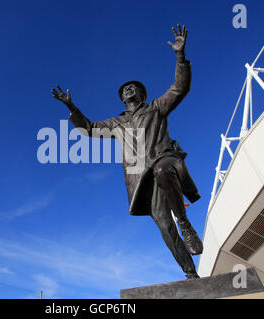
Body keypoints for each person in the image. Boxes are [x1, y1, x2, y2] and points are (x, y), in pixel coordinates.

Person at [52, 24, 203, 280]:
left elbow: (180, 88)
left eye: (133, 88)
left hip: (166, 160)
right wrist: (72, 107)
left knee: (162, 169)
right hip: (141, 177)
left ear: (142, 94)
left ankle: (184, 221)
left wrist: (180, 56)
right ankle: (191, 275)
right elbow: (88, 128)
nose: (128, 90)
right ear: (122, 99)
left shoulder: (155, 108)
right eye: (124, 90)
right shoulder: (117, 123)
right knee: (165, 228)